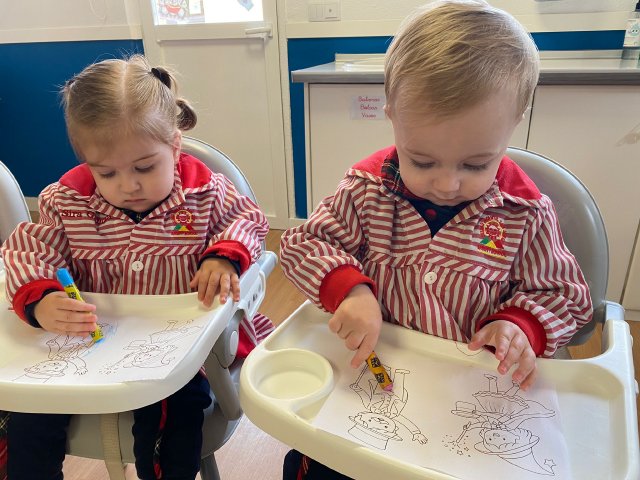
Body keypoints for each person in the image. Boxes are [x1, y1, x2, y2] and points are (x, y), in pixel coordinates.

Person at [279, 1, 592, 478]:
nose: (447, 184)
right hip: (375, 378)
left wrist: (520, 325)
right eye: (422, 161)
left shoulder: (525, 214)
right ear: (392, 115)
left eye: (475, 164)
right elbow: (303, 244)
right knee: (317, 461)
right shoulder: (365, 191)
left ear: (516, 121)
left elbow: (566, 296)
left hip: (466, 403)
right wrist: (352, 290)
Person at [0, 54, 272, 480]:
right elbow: (26, 252)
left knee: (176, 417)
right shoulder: (67, 202)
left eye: (145, 167)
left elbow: (248, 220)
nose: (128, 185)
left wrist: (223, 255)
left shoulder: (206, 193)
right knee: (23, 414)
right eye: (106, 173)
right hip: (86, 347)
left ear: (175, 146)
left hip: (174, 352)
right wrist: (42, 299)